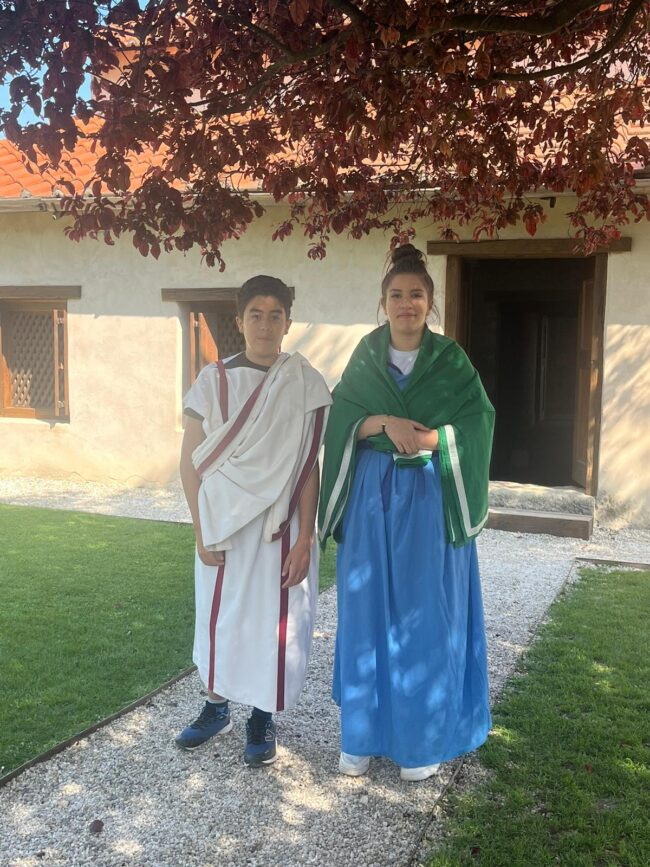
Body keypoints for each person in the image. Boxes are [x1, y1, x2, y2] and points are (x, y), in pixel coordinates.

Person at [319, 244, 494, 782]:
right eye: (396, 295)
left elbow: (478, 421)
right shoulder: (366, 356)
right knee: (365, 608)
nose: (406, 304)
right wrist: (382, 423)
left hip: (428, 497)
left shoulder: (451, 360)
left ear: (430, 302)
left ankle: (420, 742)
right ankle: (361, 737)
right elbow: (341, 416)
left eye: (416, 294)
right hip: (372, 499)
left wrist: (431, 438)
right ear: (384, 302)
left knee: (424, 614)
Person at [175, 275, 331, 767]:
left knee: (273, 621)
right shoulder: (213, 380)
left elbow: (307, 465)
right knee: (220, 614)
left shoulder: (302, 381)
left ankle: (262, 716)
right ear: (240, 320)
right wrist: (201, 530)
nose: (265, 325)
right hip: (223, 522)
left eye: (275, 315)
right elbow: (190, 462)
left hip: (279, 525)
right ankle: (216, 706)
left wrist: (305, 539)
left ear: (288, 322)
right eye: (255, 315)